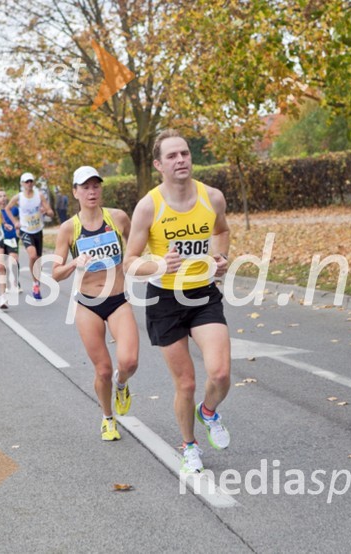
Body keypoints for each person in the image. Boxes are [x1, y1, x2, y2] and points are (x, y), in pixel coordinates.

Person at [124, 129, 232, 474]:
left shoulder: (212, 197)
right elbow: (130, 262)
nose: (180, 160)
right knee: (185, 383)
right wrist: (158, 264)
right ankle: (189, 446)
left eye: (184, 153)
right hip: (165, 300)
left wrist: (221, 256)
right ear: (158, 165)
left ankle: (208, 412)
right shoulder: (148, 206)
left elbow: (221, 230)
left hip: (203, 294)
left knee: (221, 373)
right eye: (171, 156)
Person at [52, 166, 139, 441]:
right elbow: (55, 273)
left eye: (96, 186)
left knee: (129, 361)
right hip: (88, 304)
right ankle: (107, 418)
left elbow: (137, 247)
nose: (91, 192)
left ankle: (121, 384)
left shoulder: (118, 218)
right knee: (102, 369)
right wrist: (73, 264)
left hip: (118, 299)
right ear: (75, 192)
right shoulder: (69, 229)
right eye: (85, 187)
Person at [7, 172, 53, 300]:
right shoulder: (19, 197)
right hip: (25, 230)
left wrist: (46, 211)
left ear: (33, 182)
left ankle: (36, 283)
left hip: (38, 230)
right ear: (22, 183)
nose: (29, 183)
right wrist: (15, 222)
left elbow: (51, 212)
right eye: (26, 181)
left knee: (38, 260)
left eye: (31, 181)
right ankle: (35, 283)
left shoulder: (39, 195)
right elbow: (7, 208)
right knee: (32, 255)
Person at [0, 190, 22, 293]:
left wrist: (18, 226)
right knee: (3, 263)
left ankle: (16, 282)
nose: (2, 198)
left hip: (12, 237)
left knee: (14, 260)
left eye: (4, 196)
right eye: (0, 196)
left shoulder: (14, 209)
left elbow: (23, 216)